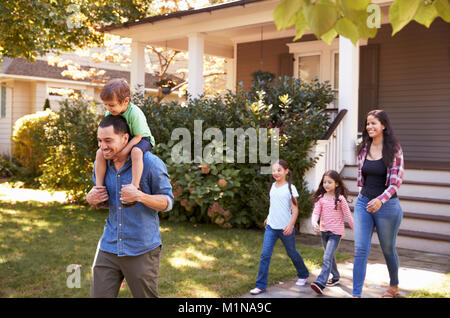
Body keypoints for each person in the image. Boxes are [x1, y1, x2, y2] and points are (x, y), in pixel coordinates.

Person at [86, 115, 173, 298]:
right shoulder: (101, 164)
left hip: (141, 249)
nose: (103, 146)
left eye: (108, 140)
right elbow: (106, 200)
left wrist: (140, 196)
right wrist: (91, 198)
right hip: (109, 246)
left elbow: (167, 202)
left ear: (125, 138)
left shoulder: (150, 164)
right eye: (100, 141)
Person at [353, 109, 404, 298]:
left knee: (388, 248)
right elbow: (362, 177)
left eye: (373, 123)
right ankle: (356, 294)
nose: (369, 126)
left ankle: (394, 286)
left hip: (388, 206)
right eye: (367, 123)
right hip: (364, 203)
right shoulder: (364, 147)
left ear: (383, 125)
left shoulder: (394, 148)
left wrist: (381, 200)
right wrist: (362, 195)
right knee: (360, 249)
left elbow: (396, 182)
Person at [250, 159, 310, 295]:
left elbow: (295, 210)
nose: (276, 173)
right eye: (274, 170)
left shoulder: (290, 188)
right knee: (265, 255)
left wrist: (291, 225)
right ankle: (260, 285)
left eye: (279, 170)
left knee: (291, 252)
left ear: (286, 171)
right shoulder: (272, 186)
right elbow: (273, 205)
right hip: (271, 227)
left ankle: (303, 273)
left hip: (285, 228)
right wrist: (268, 217)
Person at [95, 78, 156, 207]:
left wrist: (123, 152)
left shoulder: (135, 113)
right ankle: (99, 190)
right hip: (125, 139)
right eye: (106, 105)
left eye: (111, 105)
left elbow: (138, 137)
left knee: (136, 152)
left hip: (142, 139)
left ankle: (134, 187)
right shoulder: (109, 113)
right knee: (99, 153)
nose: (108, 108)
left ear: (126, 101)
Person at [310, 170, 354, 295]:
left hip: (336, 233)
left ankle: (321, 282)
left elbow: (348, 216)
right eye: (324, 182)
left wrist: (357, 230)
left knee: (327, 257)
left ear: (337, 184)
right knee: (330, 256)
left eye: (330, 182)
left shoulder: (340, 199)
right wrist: (314, 222)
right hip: (324, 231)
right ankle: (335, 277)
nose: (326, 184)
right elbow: (316, 212)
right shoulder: (321, 198)